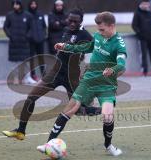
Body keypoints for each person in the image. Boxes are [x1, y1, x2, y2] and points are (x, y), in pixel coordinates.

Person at [2, 9, 102, 141]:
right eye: (70, 20)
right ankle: (20, 131)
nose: (71, 23)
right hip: (55, 72)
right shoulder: (66, 30)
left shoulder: (84, 34)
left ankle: (102, 110)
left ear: (81, 21)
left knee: (78, 110)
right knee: (31, 97)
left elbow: (98, 48)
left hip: (71, 77)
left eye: (75, 21)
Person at [37, 11, 127, 157]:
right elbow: (85, 47)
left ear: (112, 26)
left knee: (107, 115)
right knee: (70, 109)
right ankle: (48, 144)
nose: (99, 32)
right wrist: (65, 46)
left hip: (106, 84)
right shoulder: (98, 36)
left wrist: (112, 69)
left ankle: (108, 145)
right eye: (98, 29)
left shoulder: (119, 44)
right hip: (89, 80)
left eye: (102, 29)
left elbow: (122, 65)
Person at [3, 0, 35, 84]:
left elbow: (31, 28)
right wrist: (10, 35)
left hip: (24, 43)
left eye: (17, 4)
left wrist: (27, 37)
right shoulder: (10, 15)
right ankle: (16, 78)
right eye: (13, 4)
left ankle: (27, 78)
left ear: (20, 5)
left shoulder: (28, 15)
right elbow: (5, 27)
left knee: (26, 61)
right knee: (14, 63)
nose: (15, 6)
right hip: (14, 43)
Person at [132, 0, 151, 76]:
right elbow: (134, 26)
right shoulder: (137, 13)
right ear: (141, 4)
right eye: (144, 4)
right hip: (142, 39)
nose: (146, 5)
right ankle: (144, 71)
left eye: (147, 4)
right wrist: (140, 34)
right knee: (143, 55)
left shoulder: (150, 13)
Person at [27, 0, 46, 81]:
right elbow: (25, 28)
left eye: (35, 4)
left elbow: (44, 26)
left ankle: (43, 74)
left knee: (41, 57)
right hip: (31, 41)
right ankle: (33, 75)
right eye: (32, 4)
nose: (33, 5)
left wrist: (43, 35)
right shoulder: (27, 15)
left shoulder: (40, 14)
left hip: (40, 40)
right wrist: (28, 36)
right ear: (29, 5)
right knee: (32, 58)